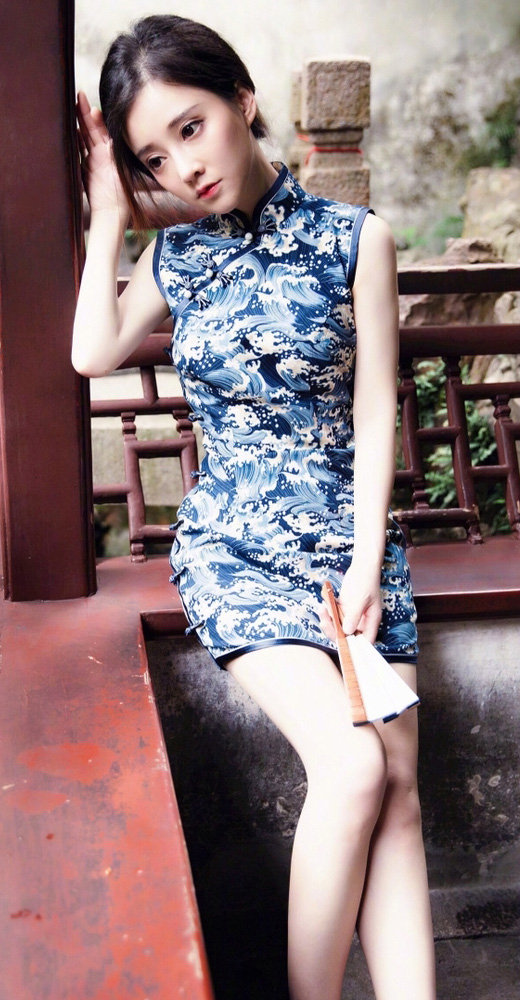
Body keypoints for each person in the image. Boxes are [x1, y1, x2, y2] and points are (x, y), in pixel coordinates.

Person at [73, 15, 436, 1000]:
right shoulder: (178, 257)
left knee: (400, 790)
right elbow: (92, 352)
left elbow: (375, 408)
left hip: (350, 547)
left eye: (190, 127)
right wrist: (109, 210)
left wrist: (365, 563)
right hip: (235, 545)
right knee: (353, 769)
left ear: (242, 98)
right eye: (155, 156)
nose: (183, 167)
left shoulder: (357, 240)